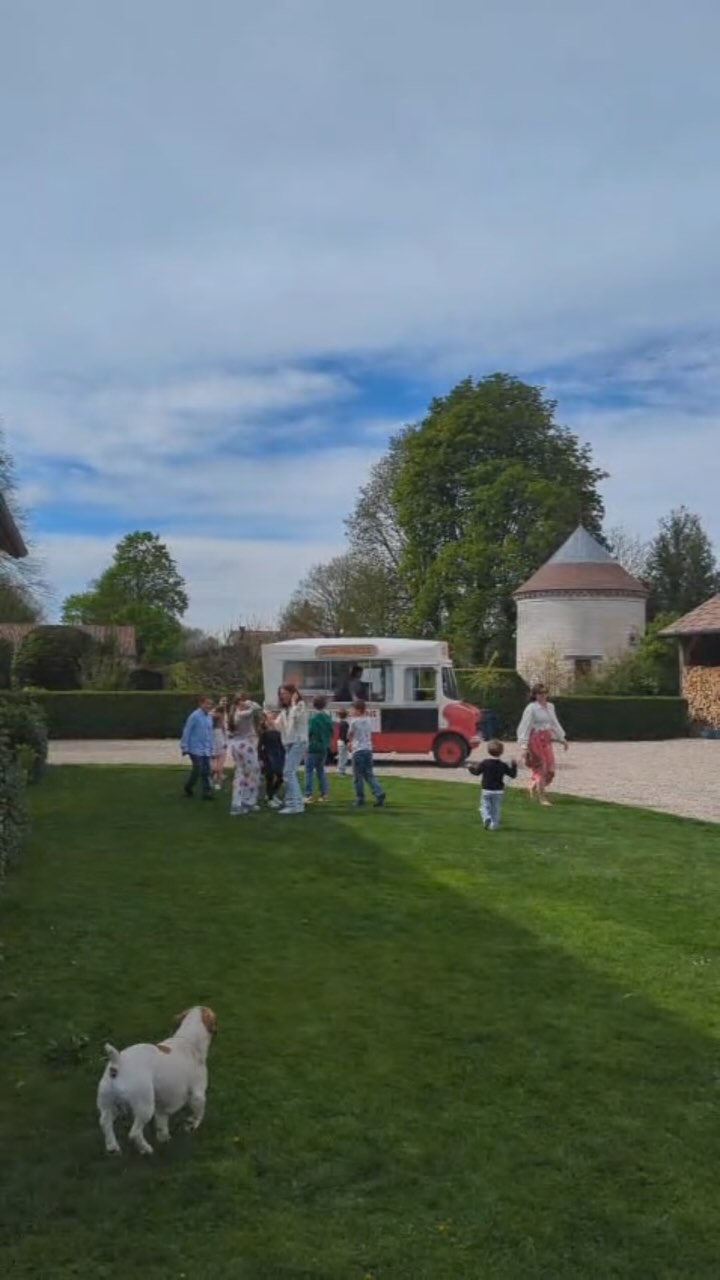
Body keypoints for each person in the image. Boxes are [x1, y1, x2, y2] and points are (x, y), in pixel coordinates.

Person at [516, 683, 568, 806]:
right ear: (535, 695)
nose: (543, 695)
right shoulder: (531, 708)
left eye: (545, 693)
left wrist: (561, 738)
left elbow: (554, 723)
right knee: (541, 768)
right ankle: (542, 797)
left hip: (546, 739)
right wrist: (524, 746)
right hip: (535, 740)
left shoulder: (550, 706)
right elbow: (525, 727)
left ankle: (533, 785)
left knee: (550, 769)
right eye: (540, 693)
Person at [468, 740, 518, 830]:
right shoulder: (503, 765)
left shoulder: (485, 763)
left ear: (488, 751)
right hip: (498, 790)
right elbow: (513, 775)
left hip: (486, 789)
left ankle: (486, 817)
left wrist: (470, 767)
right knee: (496, 808)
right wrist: (514, 766)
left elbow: (476, 772)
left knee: (484, 806)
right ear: (501, 752)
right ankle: (494, 825)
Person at [275, 683, 308, 815]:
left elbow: (298, 718)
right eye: (281, 694)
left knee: (288, 772)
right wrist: (269, 720)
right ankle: (292, 802)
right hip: (289, 743)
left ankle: (296, 805)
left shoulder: (300, 705)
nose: (282, 696)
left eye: (285, 693)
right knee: (289, 773)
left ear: (292, 693)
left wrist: (294, 703)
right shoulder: (285, 710)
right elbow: (279, 726)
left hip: (298, 741)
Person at [228, 692, 262, 816]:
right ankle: (246, 801)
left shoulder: (234, 713)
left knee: (242, 773)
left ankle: (241, 802)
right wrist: (250, 703)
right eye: (243, 700)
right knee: (252, 772)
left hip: (237, 745)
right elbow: (257, 708)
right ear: (239, 702)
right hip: (245, 745)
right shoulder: (242, 714)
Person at [348, 698, 385, 808]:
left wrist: (349, 742)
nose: (351, 711)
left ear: (358, 710)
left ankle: (360, 798)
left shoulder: (354, 722)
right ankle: (379, 792)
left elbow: (349, 735)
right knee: (369, 774)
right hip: (368, 749)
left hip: (358, 750)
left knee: (357, 777)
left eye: (353, 709)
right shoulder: (368, 719)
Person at [180, 696, 214, 799]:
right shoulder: (194, 716)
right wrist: (184, 746)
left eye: (210, 704)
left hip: (205, 749)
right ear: (201, 704)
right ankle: (189, 786)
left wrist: (211, 747)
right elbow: (187, 730)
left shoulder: (209, 717)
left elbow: (209, 733)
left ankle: (207, 792)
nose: (209, 706)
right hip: (195, 748)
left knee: (206, 771)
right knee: (198, 769)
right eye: (207, 703)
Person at [305, 695, 334, 804]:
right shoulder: (328, 718)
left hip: (313, 747)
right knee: (321, 771)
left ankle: (309, 794)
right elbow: (331, 732)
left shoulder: (313, 719)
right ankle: (324, 794)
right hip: (324, 747)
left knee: (309, 771)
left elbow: (309, 733)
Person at [258, 711, 285, 809]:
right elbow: (259, 747)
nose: (272, 720)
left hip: (278, 756)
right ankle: (270, 799)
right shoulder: (264, 733)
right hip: (268, 757)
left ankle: (272, 794)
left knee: (280, 777)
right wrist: (260, 759)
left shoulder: (278, 731)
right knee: (269, 777)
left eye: (273, 718)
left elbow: (281, 744)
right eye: (270, 718)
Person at [211, 708, 228, 791]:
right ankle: (213, 781)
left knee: (219, 768)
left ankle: (218, 783)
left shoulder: (222, 728)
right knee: (214, 768)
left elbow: (225, 736)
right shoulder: (211, 729)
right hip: (213, 748)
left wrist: (225, 743)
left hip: (221, 748)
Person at [336, 708, 350, 776]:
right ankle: (341, 771)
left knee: (341, 757)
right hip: (343, 741)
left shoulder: (341, 723)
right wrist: (347, 742)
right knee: (344, 757)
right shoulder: (345, 723)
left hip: (340, 741)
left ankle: (341, 771)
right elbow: (345, 734)